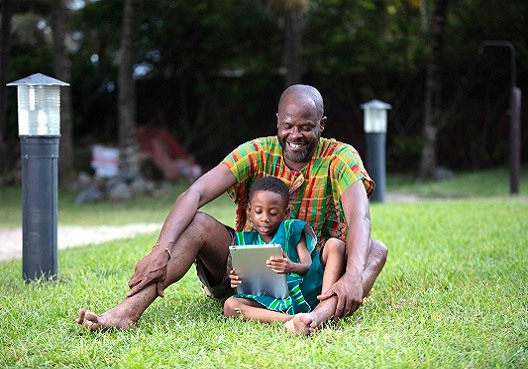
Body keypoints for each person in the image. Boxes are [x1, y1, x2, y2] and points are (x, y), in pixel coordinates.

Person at [76, 84, 388, 336]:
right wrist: (162, 249)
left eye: (306, 127)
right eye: (288, 126)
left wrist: (352, 276)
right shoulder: (256, 151)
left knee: (373, 251)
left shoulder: (340, 157)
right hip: (244, 272)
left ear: (321, 125)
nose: (295, 135)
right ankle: (127, 312)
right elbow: (195, 192)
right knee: (196, 224)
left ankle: (315, 317)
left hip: (310, 277)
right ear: (277, 121)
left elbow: (359, 213)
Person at [223, 176, 346, 334]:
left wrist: (291, 267)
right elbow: (243, 287)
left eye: (273, 213)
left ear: (285, 213)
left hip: (304, 289)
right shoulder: (243, 241)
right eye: (258, 211)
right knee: (230, 305)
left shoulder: (292, 230)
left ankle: (323, 311)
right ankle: (292, 320)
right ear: (250, 211)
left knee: (335, 245)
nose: (265, 218)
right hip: (269, 299)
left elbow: (307, 265)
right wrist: (236, 281)